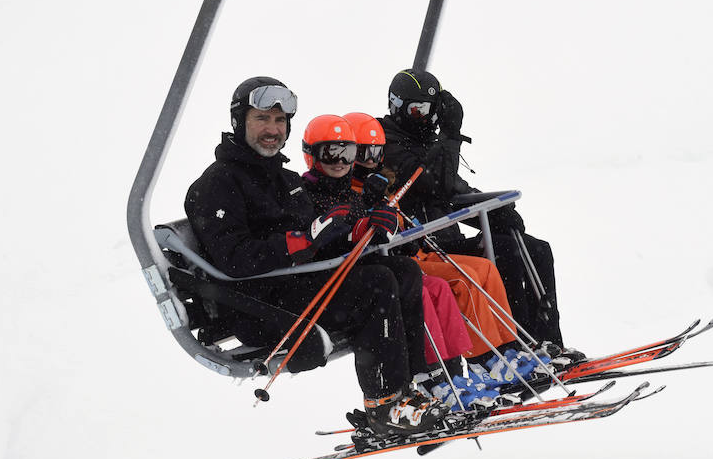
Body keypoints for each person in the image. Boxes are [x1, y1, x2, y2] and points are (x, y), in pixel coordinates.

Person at [184, 77, 450, 436]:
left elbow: (319, 237)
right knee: (376, 283)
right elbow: (234, 259)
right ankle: (385, 404)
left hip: (296, 287)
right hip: (258, 306)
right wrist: (300, 240)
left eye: (280, 122)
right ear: (239, 121)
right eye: (262, 118)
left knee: (401, 270)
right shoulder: (218, 184)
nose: (272, 130)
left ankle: (412, 391)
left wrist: (360, 231)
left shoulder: (284, 178)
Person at [378, 69, 584, 362]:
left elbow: (454, 191)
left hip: (446, 236)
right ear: (397, 106)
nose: (427, 118)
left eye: (433, 110)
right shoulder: (388, 144)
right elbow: (434, 184)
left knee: (535, 248)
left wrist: (494, 210)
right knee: (506, 253)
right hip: (424, 245)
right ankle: (522, 345)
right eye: (418, 109)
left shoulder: (427, 144)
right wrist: (450, 137)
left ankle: (548, 342)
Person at [300, 114, 470, 380]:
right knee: (411, 286)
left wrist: (386, 222)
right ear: (312, 154)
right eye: (331, 153)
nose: (342, 161)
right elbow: (326, 237)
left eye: (348, 153)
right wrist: (364, 227)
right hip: (340, 285)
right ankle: (424, 377)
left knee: (436, 287)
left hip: (377, 270)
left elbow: (389, 232)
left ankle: (452, 373)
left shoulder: (359, 191)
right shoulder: (308, 194)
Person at [344, 112, 520, 363]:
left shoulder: (385, 181)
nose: (371, 162)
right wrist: (369, 204)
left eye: (376, 153)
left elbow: (408, 212)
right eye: (363, 155)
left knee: (486, 268)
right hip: (399, 262)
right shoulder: (349, 190)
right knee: (463, 280)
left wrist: (410, 226)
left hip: (418, 251)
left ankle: (508, 348)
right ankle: (486, 360)